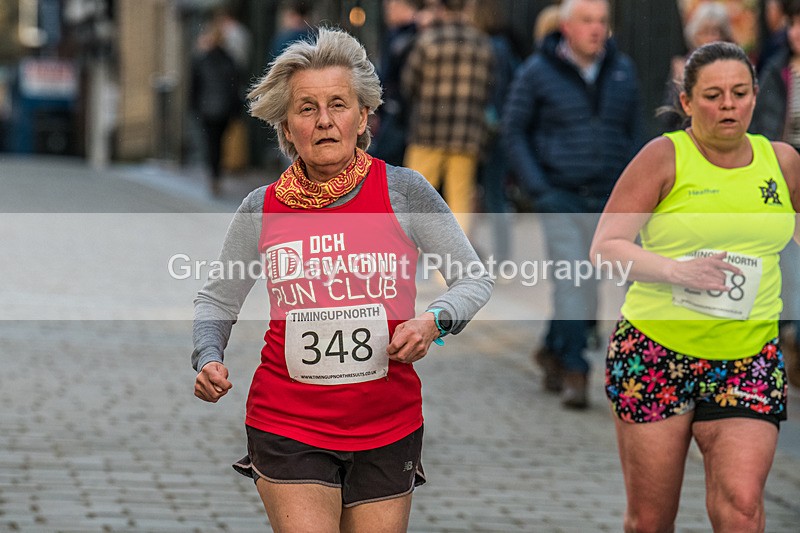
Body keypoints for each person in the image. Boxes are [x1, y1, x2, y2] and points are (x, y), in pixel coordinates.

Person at [191, 27, 492, 532]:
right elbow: (217, 297)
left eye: (338, 104)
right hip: (286, 420)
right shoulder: (261, 208)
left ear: (363, 117)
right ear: (287, 127)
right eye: (307, 108)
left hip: (387, 421)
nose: (325, 120)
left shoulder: (403, 191)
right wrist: (208, 357)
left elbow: (473, 280)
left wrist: (434, 322)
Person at [591, 41, 798, 532]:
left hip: (749, 356)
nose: (728, 104)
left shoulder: (784, 162)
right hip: (657, 352)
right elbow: (606, 246)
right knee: (651, 520)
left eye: (740, 92)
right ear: (686, 102)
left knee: (743, 507)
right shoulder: (664, 158)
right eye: (713, 95)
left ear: (754, 96)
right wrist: (676, 271)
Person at [502, 0, 643, 408]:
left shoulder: (622, 71)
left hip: (608, 197)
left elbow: (635, 133)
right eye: (587, 21)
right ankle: (576, 369)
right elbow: (515, 131)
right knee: (571, 277)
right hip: (559, 193)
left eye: (602, 21)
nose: (597, 29)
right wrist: (538, 187)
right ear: (566, 26)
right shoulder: (537, 72)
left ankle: (552, 348)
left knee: (590, 281)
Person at [400, 0, 493, 235]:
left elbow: (408, 84)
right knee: (459, 203)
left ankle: (407, 260)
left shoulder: (428, 40)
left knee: (416, 200)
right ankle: (450, 267)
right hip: (466, 133)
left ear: (441, 8)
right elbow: (489, 87)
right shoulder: (482, 43)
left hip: (427, 132)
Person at [750, 0, 800, 388]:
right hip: (784, 183)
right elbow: (764, 128)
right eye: (794, 24)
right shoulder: (777, 70)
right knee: (788, 269)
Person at [470, 0, 520, 263]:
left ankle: (499, 256)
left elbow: (495, 90)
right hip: (495, 128)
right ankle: (500, 255)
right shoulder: (501, 45)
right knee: (492, 193)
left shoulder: (488, 47)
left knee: (488, 193)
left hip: (487, 130)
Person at [660, 1, 735, 132]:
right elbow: (668, 117)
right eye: (706, 32)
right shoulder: (682, 67)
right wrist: (681, 85)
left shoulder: (736, 66)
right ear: (694, 36)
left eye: (717, 32)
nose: (713, 38)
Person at [190, 20, 242, 197]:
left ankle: (213, 174)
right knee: (220, 142)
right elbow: (235, 86)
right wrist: (236, 109)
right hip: (224, 110)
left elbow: (195, 86)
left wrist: (194, 106)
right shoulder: (230, 59)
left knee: (210, 143)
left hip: (206, 109)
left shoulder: (201, 60)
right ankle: (217, 174)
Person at [368, 0, 422, 167]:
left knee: (385, 159)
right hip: (401, 112)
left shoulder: (410, 36)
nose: (387, 12)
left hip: (402, 112)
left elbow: (393, 77)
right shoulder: (396, 34)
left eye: (390, 7)